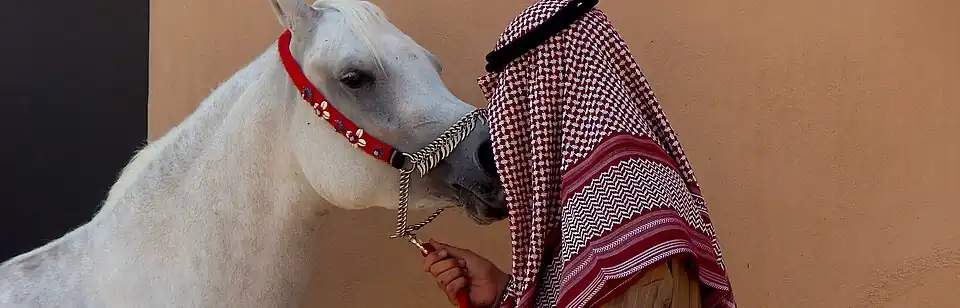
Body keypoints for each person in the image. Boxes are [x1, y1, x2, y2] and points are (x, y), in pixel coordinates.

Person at [423, 1, 737, 307]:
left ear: (545, 95)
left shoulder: (614, 207)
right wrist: (501, 289)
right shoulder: (628, 192)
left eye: (515, 95)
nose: (507, 120)